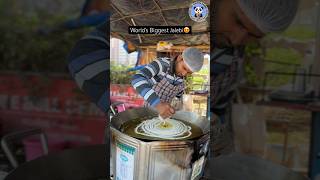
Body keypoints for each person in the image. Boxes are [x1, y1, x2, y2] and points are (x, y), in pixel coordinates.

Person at [68, 0, 299, 158]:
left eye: (252, 35)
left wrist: (215, 127)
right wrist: (144, 111)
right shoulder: (164, 17)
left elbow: (217, 104)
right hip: (133, 153)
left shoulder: (228, 49)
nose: (239, 39)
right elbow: (85, 56)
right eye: (238, 21)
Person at [131, 47, 204, 118]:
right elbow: (137, 78)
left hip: (165, 115)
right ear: (179, 58)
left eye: (189, 73)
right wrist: (158, 105)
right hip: (148, 112)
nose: (184, 74)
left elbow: (178, 98)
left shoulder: (182, 80)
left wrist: (178, 106)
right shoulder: (161, 65)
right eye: (184, 68)